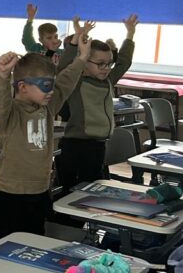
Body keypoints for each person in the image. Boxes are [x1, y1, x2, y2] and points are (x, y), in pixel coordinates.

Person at [0, 35, 90, 240]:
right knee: (4, 242)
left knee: (34, 239)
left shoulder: (48, 106)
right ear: (23, 86)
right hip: (10, 192)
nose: (51, 90)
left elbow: (66, 80)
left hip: (40, 190)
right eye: (45, 84)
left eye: (51, 84)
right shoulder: (9, 114)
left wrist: (82, 58)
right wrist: (4, 75)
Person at [55, 14, 137, 192]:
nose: (106, 68)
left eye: (109, 64)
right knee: (71, 190)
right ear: (84, 61)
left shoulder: (107, 81)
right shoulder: (76, 82)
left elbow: (123, 62)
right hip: (74, 145)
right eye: (100, 64)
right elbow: (63, 68)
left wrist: (130, 34)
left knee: (92, 187)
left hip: (98, 145)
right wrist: (76, 40)